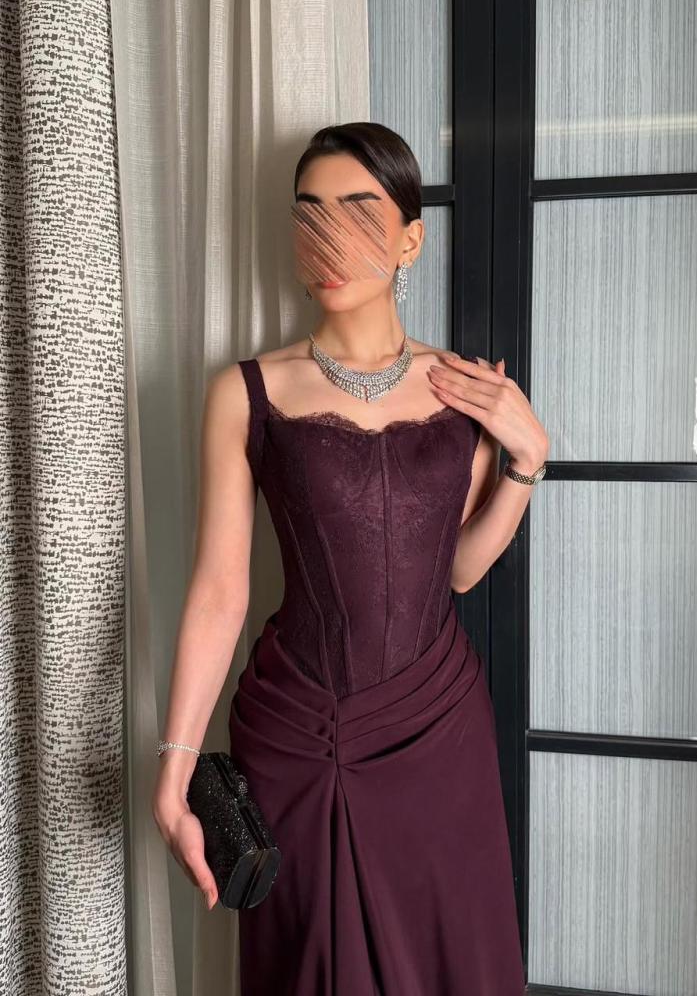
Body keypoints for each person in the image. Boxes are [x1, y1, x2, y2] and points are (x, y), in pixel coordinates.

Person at [152, 121, 548, 995]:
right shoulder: (247, 391)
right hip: (298, 735)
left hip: (438, 732)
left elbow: (456, 569)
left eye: (360, 214)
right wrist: (173, 771)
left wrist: (528, 462)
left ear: (411, 239)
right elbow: (219, 591)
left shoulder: (466, 391)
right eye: (310, 215)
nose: (328, 239)